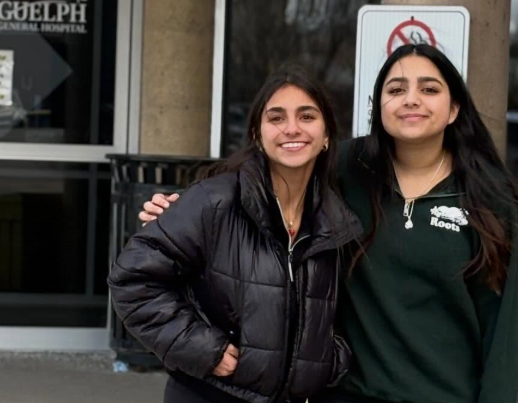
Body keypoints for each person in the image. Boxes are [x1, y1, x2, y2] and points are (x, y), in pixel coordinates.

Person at [141, 44, 518, 403]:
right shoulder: (344, 169)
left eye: (429, 89)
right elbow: (264, 180)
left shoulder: (488, 198)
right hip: (345, 394)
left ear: (454, 109)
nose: (411, 99)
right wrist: (183, 210)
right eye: (396, 89)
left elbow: (501, 330)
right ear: (378, 107)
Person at [108, 65, 363, 403]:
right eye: (276, 118)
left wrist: (328, 361)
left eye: (306, 116)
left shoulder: (337, 222)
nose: (292, 128)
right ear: (257, 134)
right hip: (209, 395)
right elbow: (132, 280)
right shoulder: (214, 201)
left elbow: (344, 312)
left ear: (327, 134)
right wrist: (203, 348)